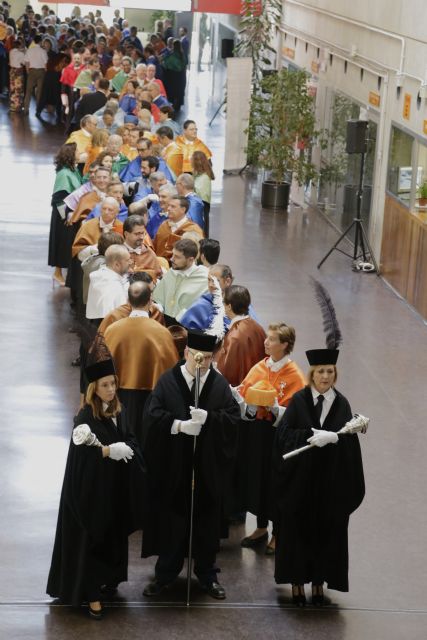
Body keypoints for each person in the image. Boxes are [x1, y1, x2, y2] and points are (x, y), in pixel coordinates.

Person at [46, 345, 145, 619]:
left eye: (113, 384)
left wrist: (127, 447)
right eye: (105, 385)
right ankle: (91, 594)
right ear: (94, 388)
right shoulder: (85, 417)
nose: (111, 389)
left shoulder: (119, 411)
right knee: (92, 538)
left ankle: (107, 580)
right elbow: (81, 459)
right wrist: (107, 451)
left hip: (112, 491)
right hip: (90, 495)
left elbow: (132, 439)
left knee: (110, 535)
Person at [141, 331, 241, 600]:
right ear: (186, 353)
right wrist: (179, 425)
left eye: (208, 358)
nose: (202, 364)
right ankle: (165, 574)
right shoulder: (168, 381)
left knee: (206, 524)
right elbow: (152, 417)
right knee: (172, 522)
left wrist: (210, 418)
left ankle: (207, 574)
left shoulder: (219, 385)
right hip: (175, 469)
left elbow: (232, 419)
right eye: (198, 357)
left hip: (206, 470)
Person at [273, 347, 365, 606]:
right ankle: (297, 582)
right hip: (300, 485)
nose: (325, 376)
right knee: (298, 532)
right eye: (321, 372)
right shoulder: (299, 401)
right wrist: (307, 437)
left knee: (326, 533)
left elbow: (350, 444)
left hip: (329, 486)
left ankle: (318, 581)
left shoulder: (342, 404)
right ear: (312, 374)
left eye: (330, 371)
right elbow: (282, 437)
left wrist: (335, 437)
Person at [233, 324, 306, 555]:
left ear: (284, 345)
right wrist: (247, 404)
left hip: (279, 435)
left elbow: (297, 414)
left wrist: (276, 410)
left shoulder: (294, 375)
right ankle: (261, 527)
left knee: (277, 482)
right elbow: (245, 395)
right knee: (259, 479)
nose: (265, 343)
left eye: (272, 339)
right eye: (267, 338)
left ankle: (278, 533)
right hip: (258, 434)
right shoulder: (260, 367)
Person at [104, 281, 178, 445]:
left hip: (117, 396)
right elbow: (171, 371)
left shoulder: (112, 330)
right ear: (150, 300)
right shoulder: (161, 333)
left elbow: (101, 364)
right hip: (151, 398)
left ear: (128, 301)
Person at [215, 285, 266, 387]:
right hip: (259, 386)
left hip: (240, 391)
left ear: (229, 306)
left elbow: (226, 372)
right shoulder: (258, 328)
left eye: (223, 303)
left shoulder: (233, 337)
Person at [48, 142, 82, 286]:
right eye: (78, 152)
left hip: (72, 212)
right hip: (64, 214)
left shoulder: (73, 170)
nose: (80, 154)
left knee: (69, 243)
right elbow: (58, 198)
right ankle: (57, 273)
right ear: (71, 155)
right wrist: (66, 217)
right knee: (62, 243)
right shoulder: (64, 173)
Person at [153, 238, 208, 325]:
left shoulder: (204, 278)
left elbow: (205, 310)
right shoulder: (171, 273)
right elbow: (158, 300)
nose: (172, 259)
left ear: (191, 260)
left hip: (189, 330)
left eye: (177, 257)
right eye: (173, 254)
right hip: (166, 325)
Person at [86, 244, 131, 323]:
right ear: (117, 264)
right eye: (127, 260)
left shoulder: (102, 274)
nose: (130, 262)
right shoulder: (113, 285)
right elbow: (121, 315)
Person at [154, 196, 203, 262]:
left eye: (173, 206)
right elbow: (155, 246)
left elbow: (198, 254)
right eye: (168, 206)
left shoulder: (193, 229)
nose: (168, 208)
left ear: (183, 210)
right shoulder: (163, 225)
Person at [123, 214, 162, 281]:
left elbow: (158, 276)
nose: (141, 237)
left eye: (142, 233)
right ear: (126, 234)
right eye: (137, 234)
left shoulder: (149, 253)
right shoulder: (117, 252)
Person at [23, 33, 47, 114]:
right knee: (39, 91)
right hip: (41, 71)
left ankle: (26, 109)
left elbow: (26, 62)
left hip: (31, 71)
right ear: (40, 42)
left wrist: (27, 71)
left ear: (34, 41)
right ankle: (38, 109)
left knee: (28, 91)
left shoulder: (29, 50)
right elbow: (45, 63)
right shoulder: (43, 51)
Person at [191, 151, 214, 235]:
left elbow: (198, 191)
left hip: (202, 204)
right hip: (202, 203)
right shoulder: (200, 174)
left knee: (202, 227)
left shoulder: (204, 177)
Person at [161, 38, 187, 112]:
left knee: (172, 92)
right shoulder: (182, 55)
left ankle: (172, 105)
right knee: (179, 92)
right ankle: (178, 105)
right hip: (181, 77)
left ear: (174, 46)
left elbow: (165, 64)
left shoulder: (172, 56)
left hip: (172, 77)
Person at [8, 39, 26, 112]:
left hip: (12, 70)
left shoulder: (11, 52)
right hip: (18, 71)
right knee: (18, 89)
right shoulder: (21, 54)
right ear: (19, 45)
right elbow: (24, 63)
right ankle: (17, 106)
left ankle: (12, 106)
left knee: (12, 88)